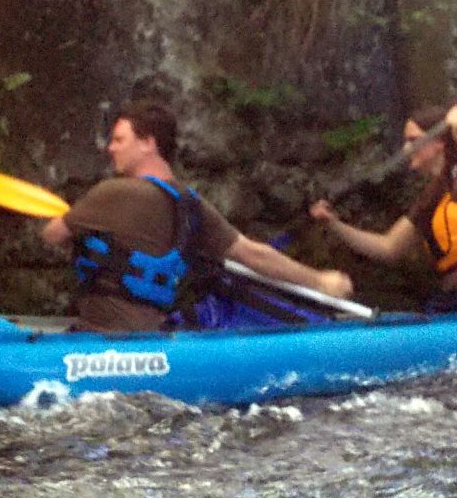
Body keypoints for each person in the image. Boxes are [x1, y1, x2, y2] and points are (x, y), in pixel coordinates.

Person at [41, 99, 354, 332]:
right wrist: (319, 280)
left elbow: (52, 235)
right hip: (153, 336)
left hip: (103, 337)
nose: (110, 148)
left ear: (149, 143)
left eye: (119, 140)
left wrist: (70, 215)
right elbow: (253, 254)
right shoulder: (189, 204)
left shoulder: (110, 192)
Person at [309, 104, 457, 313]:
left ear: (439, 143)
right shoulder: (433, 196)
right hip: (455, 296)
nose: (407, 148)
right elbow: (389, 248)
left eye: (413, 140)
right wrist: (334, 224)